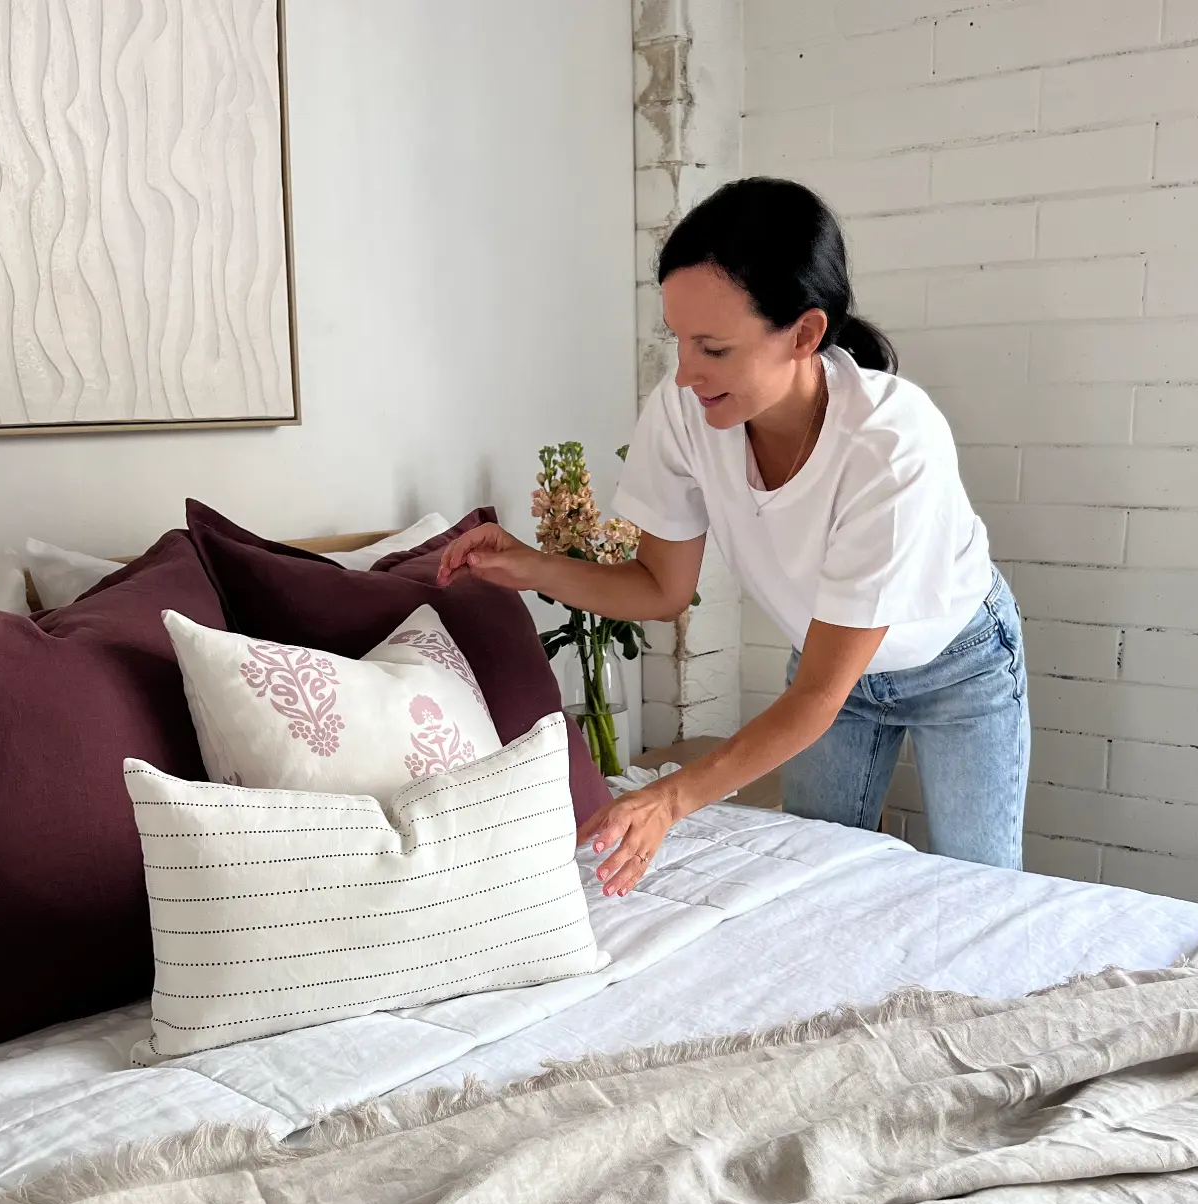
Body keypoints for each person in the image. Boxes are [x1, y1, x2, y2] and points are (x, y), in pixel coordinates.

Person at [438, 177, 1029, 897]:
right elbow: (661, 589)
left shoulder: (891, 442)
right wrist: (534, 569)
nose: (685, 373)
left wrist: (671, 799)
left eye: (713, 348)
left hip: (957, 666)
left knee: (985, 891)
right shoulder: (688, 409)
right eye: (679, 341)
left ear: (805, 334)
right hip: (827, 664)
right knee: (815, 879)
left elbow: (816, 698)